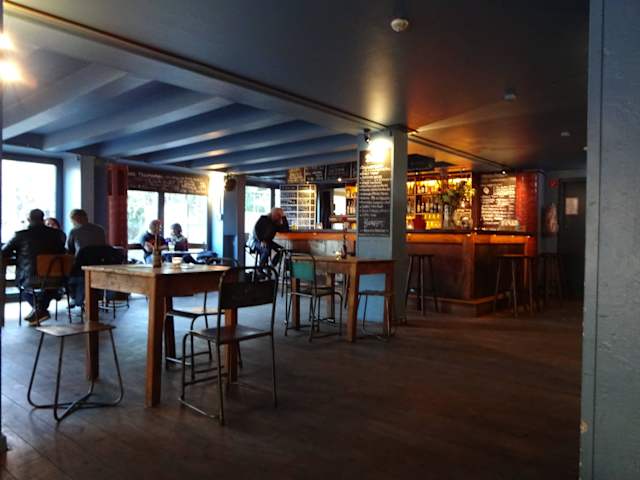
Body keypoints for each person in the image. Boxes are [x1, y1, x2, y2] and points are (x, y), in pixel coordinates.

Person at [1, 208, 66, 324]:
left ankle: (40, 310)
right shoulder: (59, 234)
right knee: (49, 287)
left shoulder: (20, 235)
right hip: (58, 278)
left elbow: (4, 252)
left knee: (20, 284)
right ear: (43, 219)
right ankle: (40, 310)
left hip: (31, 278)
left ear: (28, 219)